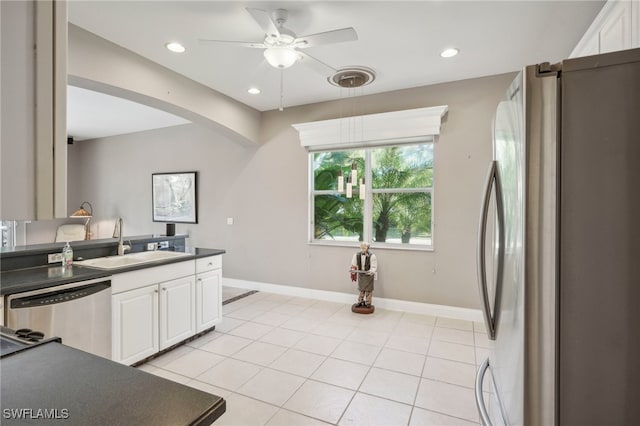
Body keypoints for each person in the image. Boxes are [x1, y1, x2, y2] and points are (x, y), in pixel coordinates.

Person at [351, 242, 377, 308]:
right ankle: (360, 301)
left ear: (367, 248)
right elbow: (354, 264)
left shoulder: (372, 256)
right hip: (361, 275)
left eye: (364, 247)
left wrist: (371, 271)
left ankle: (368, 302)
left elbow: (374, 267)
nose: (363, 248)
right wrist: (353, 269)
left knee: (368, 290)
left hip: (369, 276)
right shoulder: (356, 255)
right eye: (361, 247)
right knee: (361, 289)